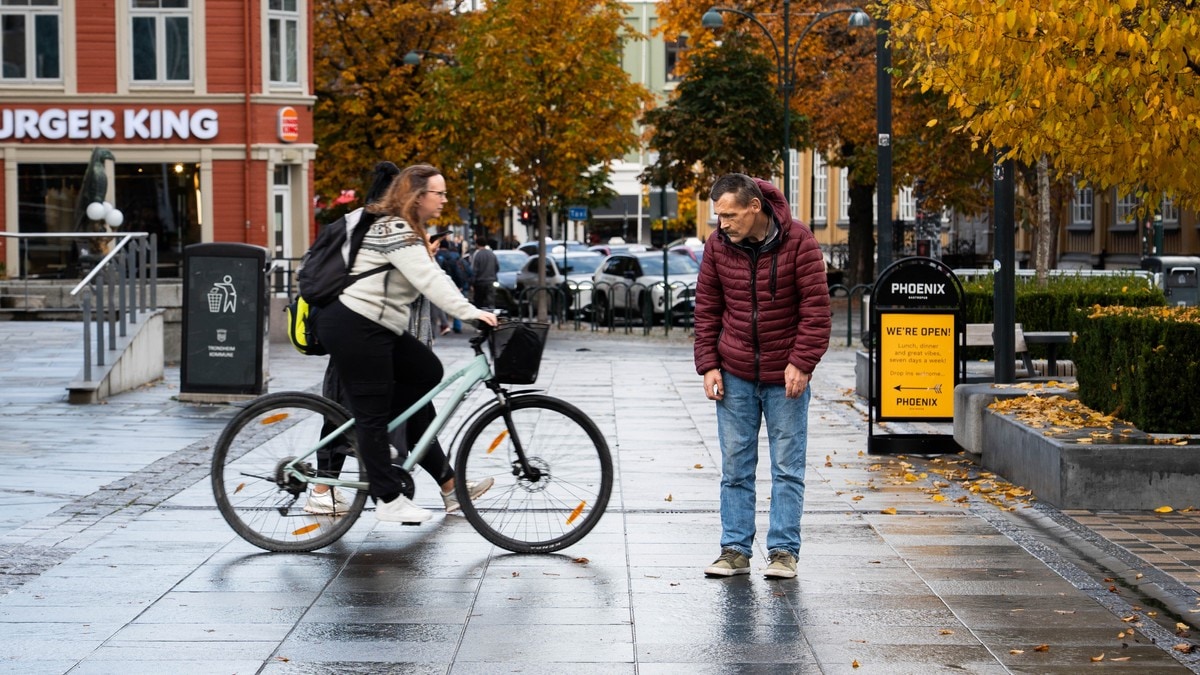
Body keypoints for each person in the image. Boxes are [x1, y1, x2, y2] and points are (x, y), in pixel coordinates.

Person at [314, 164, 499, 524]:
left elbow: (435, 273)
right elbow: (429, 279)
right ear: (418, 196)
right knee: (371, 413)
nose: (445, 200)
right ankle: (388, 499)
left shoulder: (408, 229)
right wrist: (472, 312)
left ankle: (379, 430)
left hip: (376, 327)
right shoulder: (394, 228)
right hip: (354, 325)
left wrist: (473, 309)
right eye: (439, 193)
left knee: (427, 370)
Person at [694, 173, 831, 579]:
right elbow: (706, 310)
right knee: (735, 466)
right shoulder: (717, 245)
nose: (723, 224)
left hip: (784, 375)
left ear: (755, 207)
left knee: (788, 467)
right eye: (718, 216)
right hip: (734, 370)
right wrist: (709, 365)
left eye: (730, 215)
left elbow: (816, 310)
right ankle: (734, 550)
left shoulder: (799, 240)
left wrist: (802, 362)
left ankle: (784, 552)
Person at [469, 234, 498, 309]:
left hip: (480, 283)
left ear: (477, 244)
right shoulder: (492, 254)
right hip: (491, 282)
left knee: (479, 303)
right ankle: (491, 318)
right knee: (491, 303)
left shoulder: (477, 255)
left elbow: (474, 270)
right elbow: (497, 267)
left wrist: (472, 282)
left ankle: (480, 319)